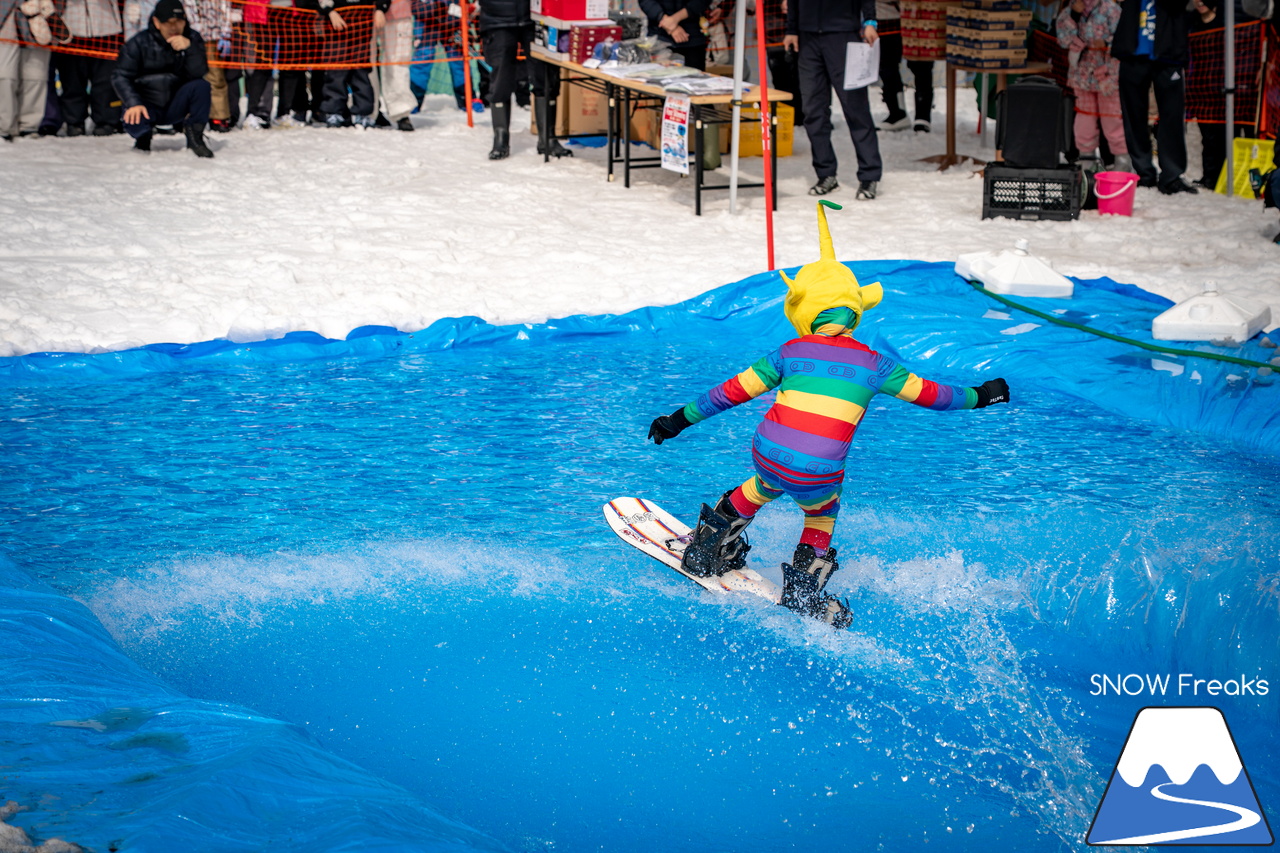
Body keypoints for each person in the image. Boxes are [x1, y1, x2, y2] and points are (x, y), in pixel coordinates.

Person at [646, 201, 1010, 628]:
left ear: (803, 311)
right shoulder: (876, 365)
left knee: (764, 483)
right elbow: (935, 395)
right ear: (855, 310)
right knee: (820, 511)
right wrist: (982, 395)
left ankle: (710, 543)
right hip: (819, 472)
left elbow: (727, 394)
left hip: (768, 452)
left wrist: (677, 420)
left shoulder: (789, 353)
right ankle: (804, 584)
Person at [784, 0, 883, 198]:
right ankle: (825, 173)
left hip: (843, 34)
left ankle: (869, 176)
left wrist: (870, 21)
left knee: (855, 109)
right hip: (808, 37)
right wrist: (792, 28)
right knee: (813, 111)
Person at [1111, 0, 1199, 193]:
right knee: (1133, 116)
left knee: (1172, 116)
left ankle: (1172, 176)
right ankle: (1143, 172)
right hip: (1132, 51)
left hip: (1169, 52)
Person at [111, 0, 214, 155]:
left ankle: (195, 138)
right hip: (146, 105)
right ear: (156, 22)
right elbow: (120, 76)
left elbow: (199, 73)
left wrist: (190, 49)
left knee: (202, 86)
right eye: (168, 22)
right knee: (133, 114)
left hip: (176, 104)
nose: (174, 27)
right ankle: (143, 137)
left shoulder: (193, 38)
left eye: (179, 21)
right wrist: (133, 103)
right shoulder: (137, 43)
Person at [478, 0, 571, 160]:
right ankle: (500, 140)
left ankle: (548, 139)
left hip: (538, 17)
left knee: (546, 76)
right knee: (500, 80)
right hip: (497, 19)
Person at [1056, 0, 1131, 172]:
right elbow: (1063, 38)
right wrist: (1074, 15)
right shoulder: (1072, 10)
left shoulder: (1111, 10)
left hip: (1108, 76)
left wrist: (1106, 44)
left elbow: (1126, 38)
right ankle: (1086, 159)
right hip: (1082, 75)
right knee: (1084, 119)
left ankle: (1122, 161)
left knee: (1112, 119)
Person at [316, 0, 389, 127]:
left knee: (361, 72)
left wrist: (380, 9)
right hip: (336, 26)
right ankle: (334, 112)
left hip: (362, 26)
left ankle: (363, 113)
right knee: (336, 72)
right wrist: (329, 11)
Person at [56, 0, 124, 135]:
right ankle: (74, 122)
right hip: (69, 28)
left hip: (106, 28)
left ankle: (106, 121)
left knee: (105, 81)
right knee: (72, 80)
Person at [874, 0, 934, 132]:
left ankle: (923, 116)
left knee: (921, 65)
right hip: (884, 16)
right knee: (887, 67)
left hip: (917, 15)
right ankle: (897, 113)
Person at [0, 0, 53, 141]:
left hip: (40, 13)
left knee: (35, 76)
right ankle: (4, 127)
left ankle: (30, 126)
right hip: (5, 15)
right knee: (4, 76)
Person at [638, 0, 710, 70]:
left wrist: (673, 20)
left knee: (694, 78)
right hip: (658, 38)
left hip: (692, 37)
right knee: (658, 78)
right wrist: (663, 19)